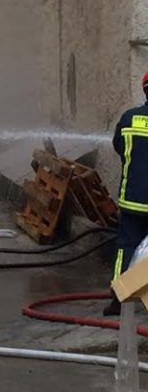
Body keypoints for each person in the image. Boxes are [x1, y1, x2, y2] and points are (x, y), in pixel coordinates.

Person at [104, 71, 148, 316]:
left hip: (132, 200)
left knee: (127, 247)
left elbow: (119, 147)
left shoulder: (129, 118)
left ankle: (119, 298)